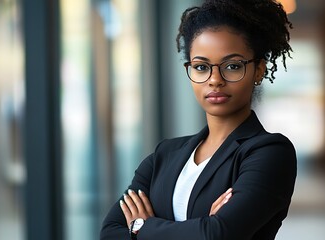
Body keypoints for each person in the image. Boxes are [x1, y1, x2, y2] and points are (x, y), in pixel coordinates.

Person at [100, 0, 296, 239]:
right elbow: (110, 232)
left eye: (232, 66)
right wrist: (202, 226)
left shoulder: (269, 152)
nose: (215, 79)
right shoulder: (165, 155)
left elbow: (217, 233)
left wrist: (141, 228)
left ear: (258, 70)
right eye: (201, 67)